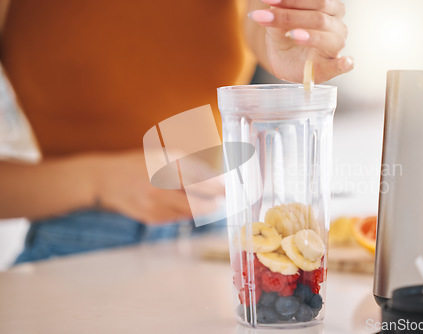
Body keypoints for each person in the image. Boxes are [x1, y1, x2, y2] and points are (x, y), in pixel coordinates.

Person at [0, 0, 352, 264]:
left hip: (222, 239)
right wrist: (98, 181)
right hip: (80, 249)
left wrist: (293, 29)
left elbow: (262, 26)